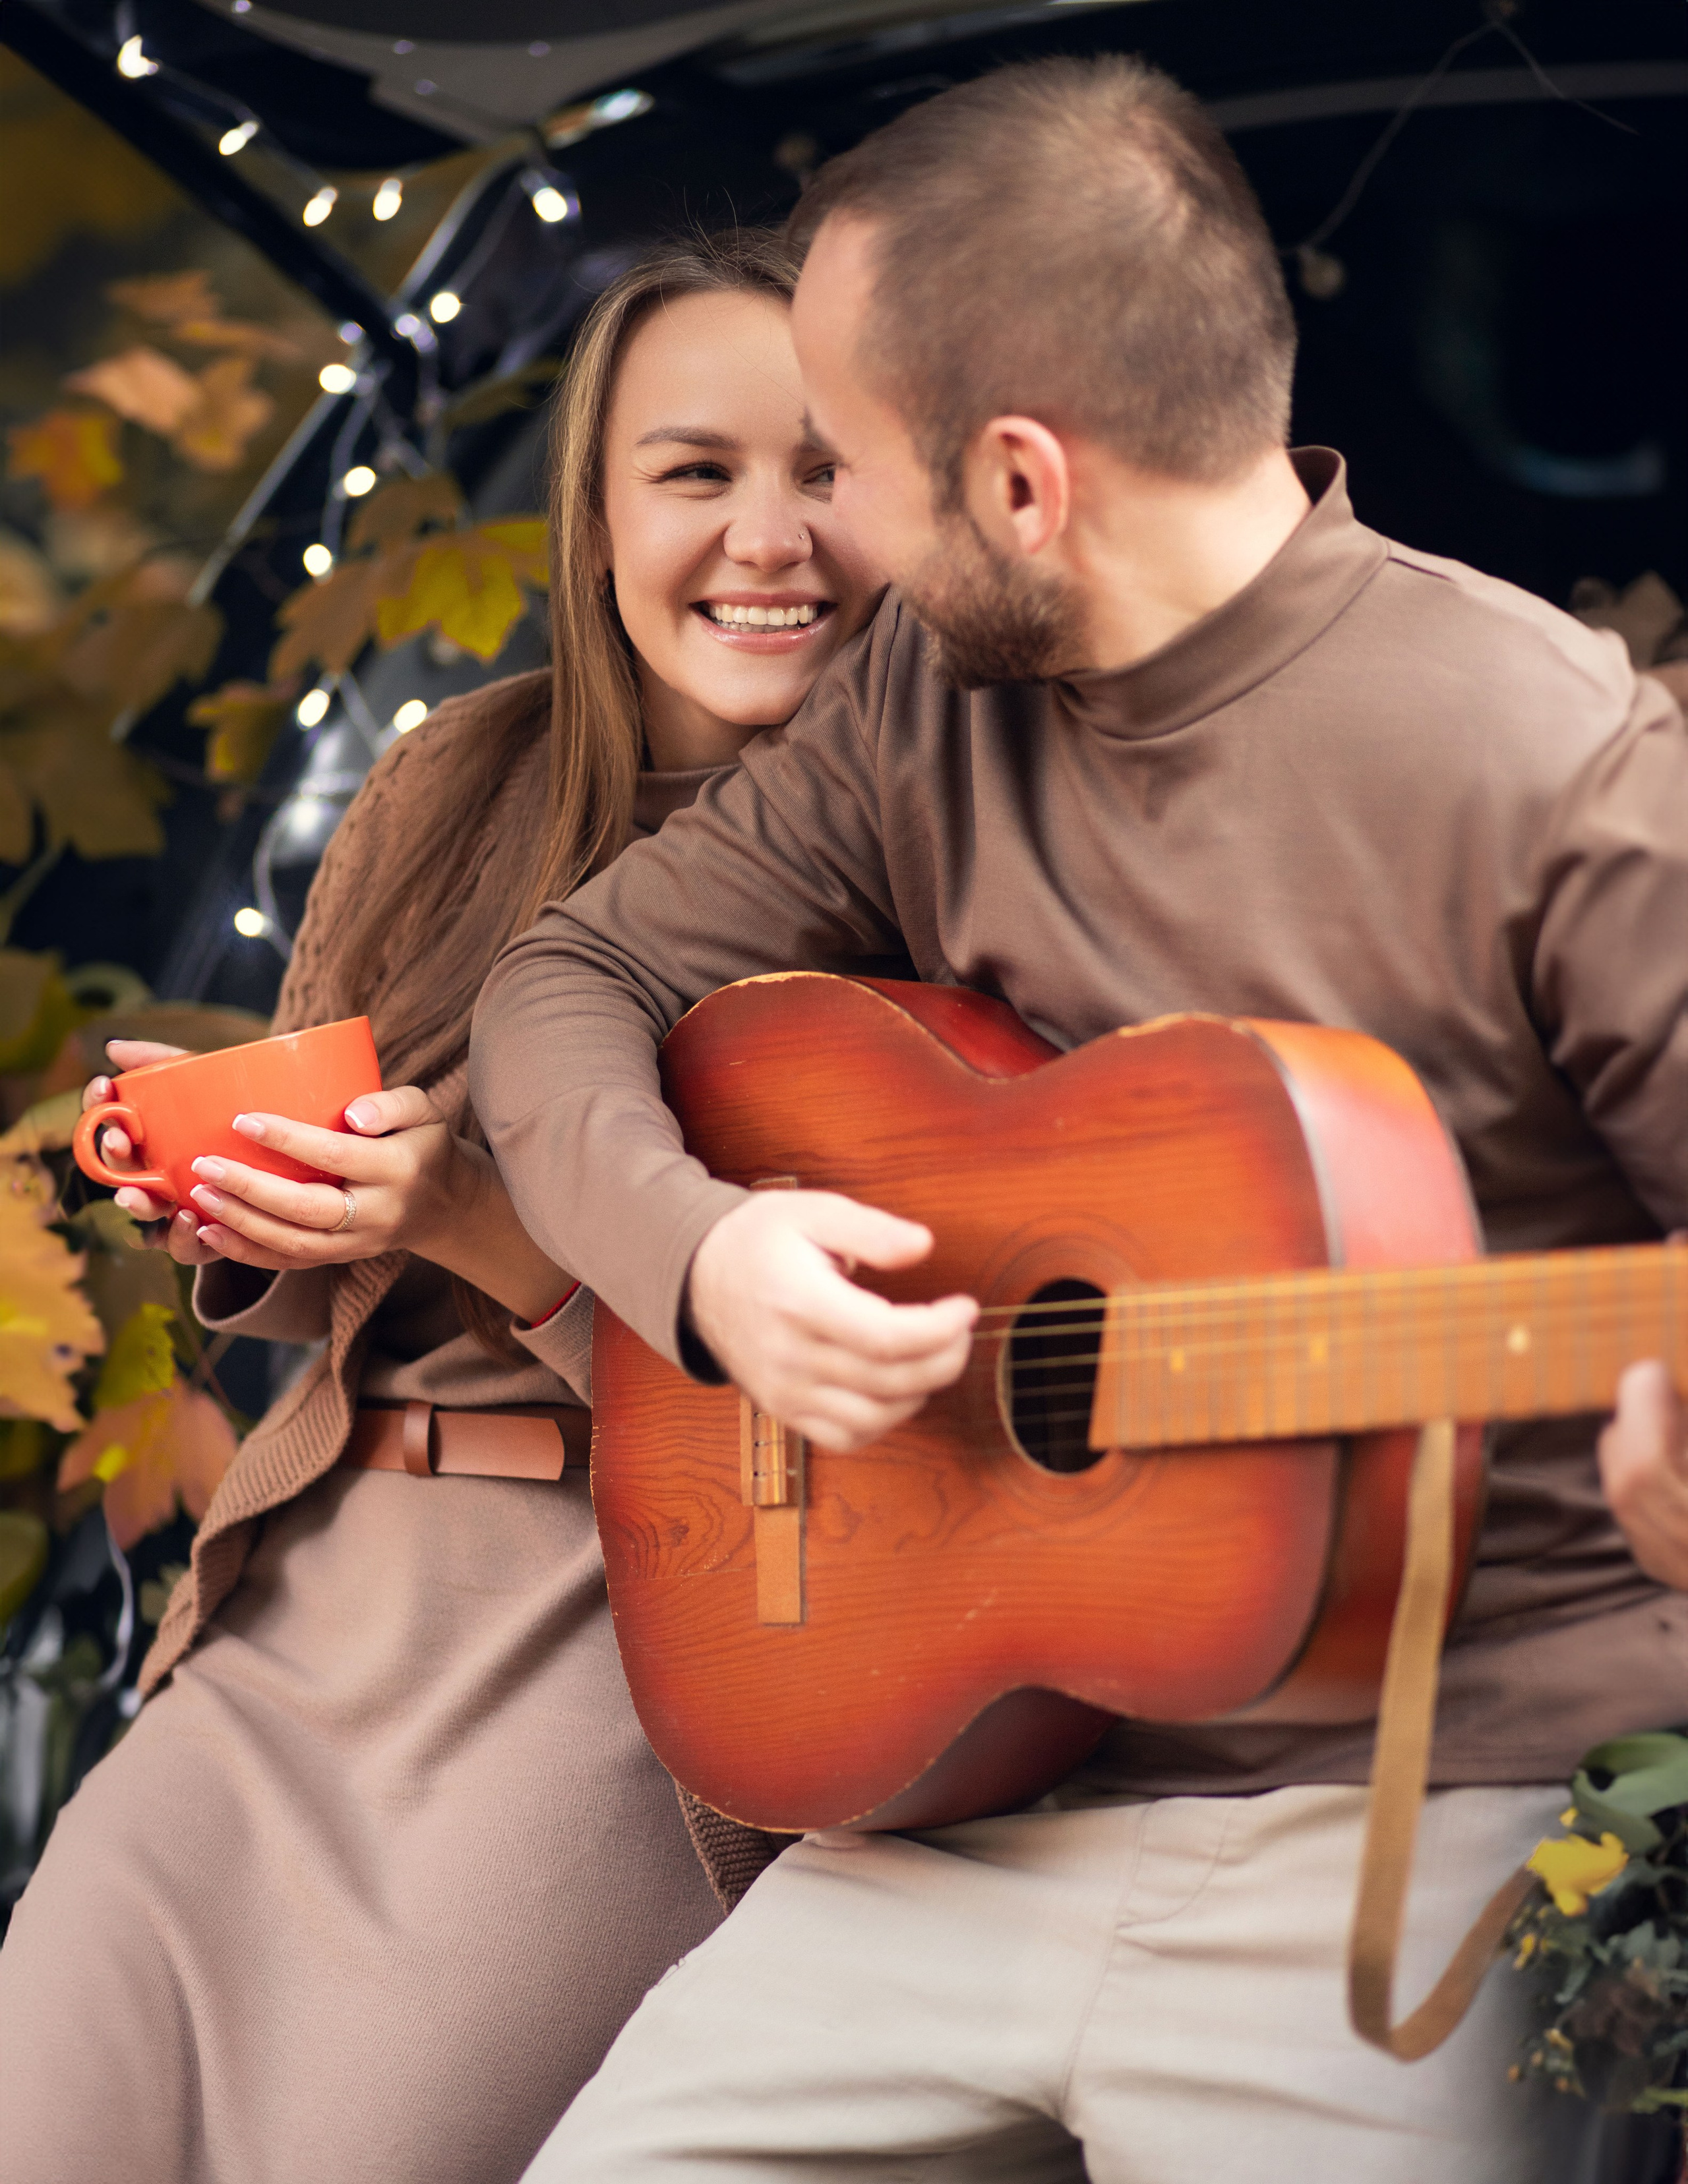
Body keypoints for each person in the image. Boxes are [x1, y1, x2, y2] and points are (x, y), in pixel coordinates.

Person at [467, 59, 1688, 2184]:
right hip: (972, 1787)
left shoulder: (1565, 773)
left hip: (1432, 1826)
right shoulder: (924, 701)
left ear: (1023, 484)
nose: (817, 533)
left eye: (846, 463)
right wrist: (704, 1251)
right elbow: (570, 981)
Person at [0, 229, 883, 2184]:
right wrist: (222, 1177)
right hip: (301, 1618)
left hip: (606, 1669)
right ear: (593, 509)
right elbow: (328, 1261)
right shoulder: (454, 775)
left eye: (826, 468)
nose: (767, 534)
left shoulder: (949, 866)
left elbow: (883, 1412)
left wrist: (475, 1210)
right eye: (695, 471)